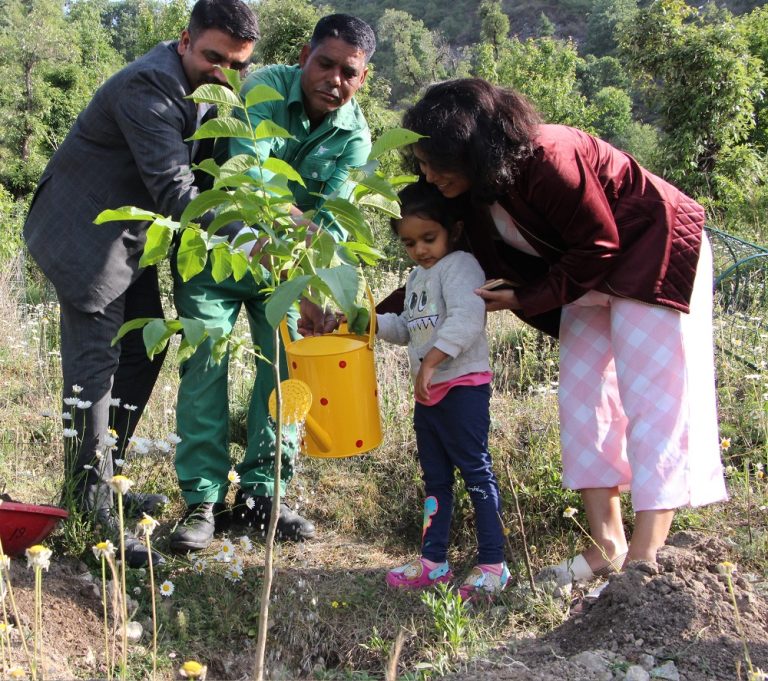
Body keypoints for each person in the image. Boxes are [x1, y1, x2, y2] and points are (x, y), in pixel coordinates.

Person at [394, 78, 728, 584]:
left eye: (433, 160)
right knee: (582, 399)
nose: (426, 172)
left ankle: (644, 559)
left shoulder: (550, 155)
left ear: (469, 147)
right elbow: (436, 271)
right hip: (579, 278)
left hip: (647, 253)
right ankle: (605, 546)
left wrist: (528, 299)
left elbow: (599, 244)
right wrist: (360, 317)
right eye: (420, 161)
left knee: (651, 400)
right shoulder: (469, 193)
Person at [23, 0, 259, 567]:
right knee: (95, 372)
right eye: (212, 57)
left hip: (130, 238)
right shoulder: (150, 87)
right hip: (86, 235)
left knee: (143, 349)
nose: (222, 72)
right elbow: (177, 190)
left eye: (236, 64)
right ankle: (89, 512)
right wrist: (253, 241)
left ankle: (109, 481)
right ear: (184, 41)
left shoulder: (209, 90)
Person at [169, 14, 376, 552]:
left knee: (286, 374)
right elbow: (247, 174)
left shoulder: (355, 135)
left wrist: (316, 287)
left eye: (349, 72)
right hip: (220, 251)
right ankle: (202, 500)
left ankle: (265, 496)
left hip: (284, 271)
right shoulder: (263, 87)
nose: (334, 79)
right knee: (206, 362)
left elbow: (336, 218)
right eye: (325, 63)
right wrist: (305, 233)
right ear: (305, 53)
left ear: (363, 78)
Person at [377, 180, 510, 601]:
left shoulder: (461, 266)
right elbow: (407, 328)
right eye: (409, 243)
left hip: (462, 388)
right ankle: (434, 561)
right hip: (430, 393)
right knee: (435, 479)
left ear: (452, 229)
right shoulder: (418, 277)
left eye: (428, 238)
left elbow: (467, 320)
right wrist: (369, 321)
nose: (419, 249)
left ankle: (493, 563)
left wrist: (431, 363)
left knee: (475, 473)